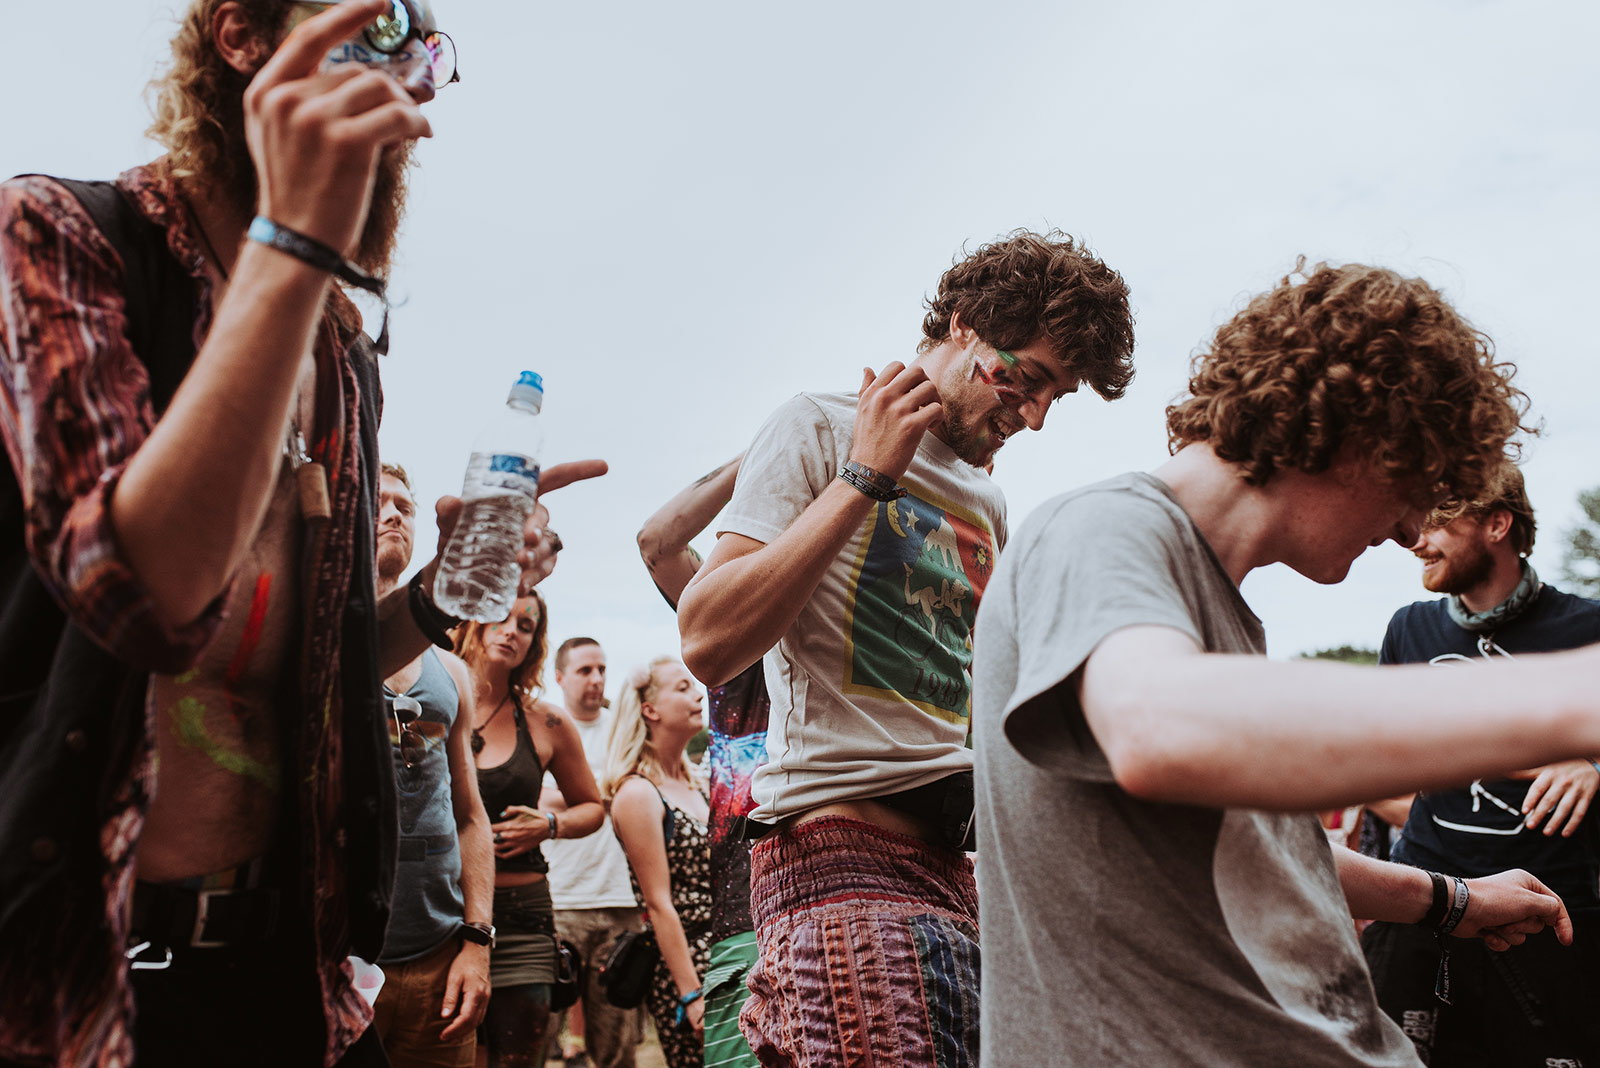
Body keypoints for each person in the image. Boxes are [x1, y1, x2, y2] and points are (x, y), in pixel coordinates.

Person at [0, 3, 601, 1063]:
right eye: (379, 24)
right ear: (241, 35)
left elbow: (328, 662)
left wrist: (437, 592)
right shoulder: (60, 236)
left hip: (291, 970)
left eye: (427, 55)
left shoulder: (342, 357)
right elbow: (146, 594)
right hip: (78, 967)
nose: (410, 78)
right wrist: (291, 243)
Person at [971, 259, 1600, 1067]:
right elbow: (1160, 729)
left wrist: (1452, 900)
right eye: (1417, 483)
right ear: (1356, 430)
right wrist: (1574, 691)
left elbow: (1271, 850)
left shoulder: (1213, 610)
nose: (1411, 531)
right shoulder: (1099, 529)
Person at [677, 230, 1137, 1065]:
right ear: (964, 325)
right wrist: (865, 476)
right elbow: (707, 638)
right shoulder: (820, 425)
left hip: (957, 868)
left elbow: (984, 703)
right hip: (835, 858)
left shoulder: (987, 501)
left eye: (1055, 398)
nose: (1035, 416)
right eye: (1027, 379)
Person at [1361, 465, 1600, 1066]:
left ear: (1497, 524)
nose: (1416, 538)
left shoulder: (1589, 626)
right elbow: (1375, 769)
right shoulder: (1409, 628)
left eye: (1439, 518)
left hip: (1549, 920)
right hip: (1426, 912)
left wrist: (1594, 769)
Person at [637, 456, 767, 1068]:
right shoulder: (738, 623)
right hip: (745, 912)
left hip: (864, 885)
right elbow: (659, 543)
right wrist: (769, 450)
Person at [370, 461, 494, 1067]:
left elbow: (469, 814)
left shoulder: (452, 671)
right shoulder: (313, 644)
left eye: (405, 505)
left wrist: (477, 940)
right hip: (341, 960)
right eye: (377, 501)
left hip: (441, 959)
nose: (393, 513)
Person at [454, 594, 605, 1068]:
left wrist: (550, 824)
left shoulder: (546, 721)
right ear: (474, 622)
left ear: (534, 644)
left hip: (523, 920)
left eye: (526, 625)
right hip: (443, 913)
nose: (511, 631)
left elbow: (593, 808)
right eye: (500, 617)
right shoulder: (434, 701)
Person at [604, 659, 715, 1068]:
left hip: (729, 954)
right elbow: (658, 903)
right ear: (650, 709)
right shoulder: (638, 793)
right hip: (688, 966)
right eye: (683, 687)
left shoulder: (699, 784)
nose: (698, 694)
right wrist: (691, 993)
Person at [540, 638, 645, 1068]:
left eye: (601, 669)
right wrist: (607, 793)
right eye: (584, 670)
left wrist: (571, 796)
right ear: (559, 677)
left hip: (620, 903)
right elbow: (534, 799)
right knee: (535, 1038)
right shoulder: (544, 729)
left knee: (617, 1049)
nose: (597, 678)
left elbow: (639, 792)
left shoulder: (623, 730)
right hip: (558, 902)